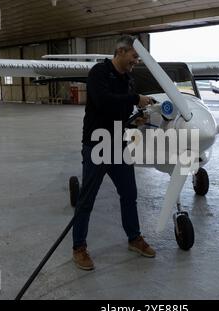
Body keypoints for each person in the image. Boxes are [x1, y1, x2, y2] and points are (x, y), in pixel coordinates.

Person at [72, 35, 156, 271]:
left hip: (118, 145)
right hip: (96, 146)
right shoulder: (99, 72)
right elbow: (104, 102)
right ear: (121, 51)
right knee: (86, 200)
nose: (136, 61)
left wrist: (136, 119)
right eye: (134, 56)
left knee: (129, 193)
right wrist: (135, 99)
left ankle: (134, 238)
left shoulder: (129, 80)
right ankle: (79, 248)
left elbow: (120, 112)